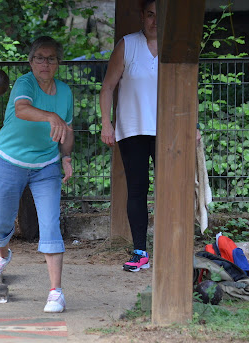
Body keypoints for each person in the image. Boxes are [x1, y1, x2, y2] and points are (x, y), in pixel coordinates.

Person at [0, 36, 74, 313]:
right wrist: (50, 116)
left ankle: (56, 292)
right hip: (9, 160)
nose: (45, 63)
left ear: (58, 63)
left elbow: (67, 132)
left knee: (50, 224)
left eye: (51, 58)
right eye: (39, 58)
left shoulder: (66, 93)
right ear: (30, 61)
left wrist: (66, 156)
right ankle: (1, 255)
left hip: (46, 165)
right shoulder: (25, 83)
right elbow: (22, 109)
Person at [99, 0, 158, 272]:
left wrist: (192, 126)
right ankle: (140, 252)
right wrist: (106, 123)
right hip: (132, 128)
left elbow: (187, 90)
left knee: (169, 190)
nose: (154, 21)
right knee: (137, 189)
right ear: (142, 16)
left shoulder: (174, 47)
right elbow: (108, 87)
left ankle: (171, 250)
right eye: (150, 15)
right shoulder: (127, 44)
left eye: (159, 16)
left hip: (167, 131)